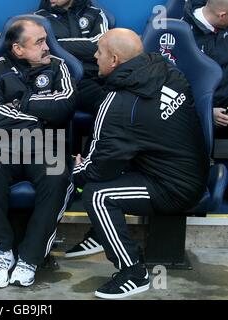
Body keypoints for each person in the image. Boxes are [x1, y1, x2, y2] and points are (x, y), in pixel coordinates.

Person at [72, 28, 208, 299]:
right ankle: (105, 232)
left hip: (173, 188)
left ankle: (133, 273)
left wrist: (77, 170)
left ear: (114, 60)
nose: (95, 57)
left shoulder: (119, 104)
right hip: (191, 168)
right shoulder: (168, 70)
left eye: (99, 52)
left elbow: (99, 168)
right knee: (112, 153)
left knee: (96, 194)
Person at [0, 17, 75, 288]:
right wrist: (41, 119)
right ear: (18, 49)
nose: (47, 46)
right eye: (39, 41)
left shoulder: (59, 66)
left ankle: (30, 257)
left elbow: (64, 107)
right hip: (3, 144)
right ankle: (0, 251)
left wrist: (21, 104)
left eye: (46, 39)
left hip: (48, 147)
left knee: (57, 177)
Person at [183, 0, 228, 132]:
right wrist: (206, 111)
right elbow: (178, 88)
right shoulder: (184, 38)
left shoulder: (222, 21)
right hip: (207, 112)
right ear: (223, 15)